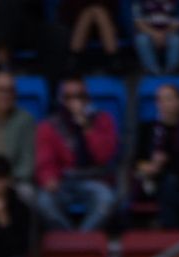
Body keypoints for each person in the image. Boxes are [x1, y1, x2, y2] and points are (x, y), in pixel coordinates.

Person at [34, 76, 118, 232]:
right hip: (63, 181)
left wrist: (88, 128)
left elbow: (104, 156)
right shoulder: (49, 125)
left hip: (94, 180)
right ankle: (68, 237)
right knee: (42, 201)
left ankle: (82, 239)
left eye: (80, 96)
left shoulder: (102, 120)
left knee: (107, 200)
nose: (75, 101)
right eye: (69, 97)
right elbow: (44, 160)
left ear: (87, 98)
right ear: (62, 100)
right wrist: (48, 178)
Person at [133, 81, 179, 229]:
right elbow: (136, 159)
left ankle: (171, 234)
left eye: (169, 98)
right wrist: (146, 166)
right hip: (150, 181)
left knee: (172, 184)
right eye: (160, 99)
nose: (163, 103)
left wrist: (165, 162)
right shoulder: (147, 128)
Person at [60, 0, 121, 74]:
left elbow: (113, 6)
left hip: (104, 20)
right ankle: (114, 59)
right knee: (88, 13)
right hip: (77, 20)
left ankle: (73, 59)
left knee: (98, 11)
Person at [132, 0, 179, 75]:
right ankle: (153, 72)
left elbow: (178, 24)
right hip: (148, 33)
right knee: (141, 40)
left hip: (168, 33)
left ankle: (171, 72)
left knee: (177, 40)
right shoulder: (139, 3)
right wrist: (155, 34)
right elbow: (138, 23)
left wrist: (163, 34)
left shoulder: (174, 2)